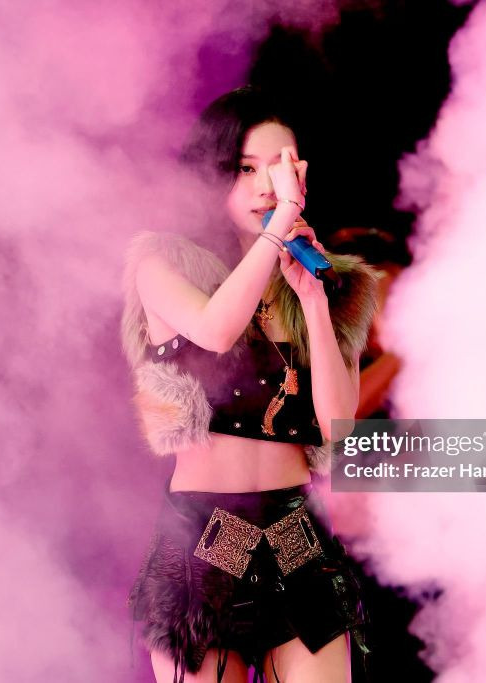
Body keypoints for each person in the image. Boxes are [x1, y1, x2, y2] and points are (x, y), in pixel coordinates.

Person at [122, 86, 378, 683]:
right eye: (246, 168)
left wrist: (315, 301)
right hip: (205, 540)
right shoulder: (163, 264)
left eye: (280, 165)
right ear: (210, 174)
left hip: (298, 537)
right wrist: (279, 227)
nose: (268, 186)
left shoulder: (327, 282)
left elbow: (337, 425)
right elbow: (216, 330)